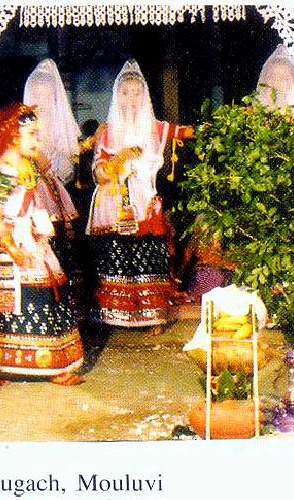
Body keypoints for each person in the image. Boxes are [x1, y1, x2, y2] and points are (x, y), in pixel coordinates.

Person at [0, 103, 84, 385]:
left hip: (29, 234)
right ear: (14, 136)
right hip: (8, 238)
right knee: (30, 295)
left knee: (48, 292)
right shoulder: (4, 168)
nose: (37, 140)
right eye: (32, 135)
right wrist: (12, 248)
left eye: (38, 134)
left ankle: (49, 362)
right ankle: (10, 361)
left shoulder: (26, 164)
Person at [87, 59, 192, 333]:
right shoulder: (106, 132)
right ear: (116, 96)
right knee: (117, 254)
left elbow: (185, 132)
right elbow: (99, 171)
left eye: (136, 93)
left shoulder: (155, 127)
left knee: (148, 254)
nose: (131, 99)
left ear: (144, 96)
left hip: (144, 200)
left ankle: (152, 315)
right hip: (114, 201)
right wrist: (114, 164)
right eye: (125, 93)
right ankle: (116, 315)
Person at [23, 59, 80, 270]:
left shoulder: (56, 126)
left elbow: (62, 164)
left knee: (57, 235)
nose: (42, 103)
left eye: (47, 97)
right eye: (37, 96)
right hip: (28, 187)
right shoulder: (24, 124)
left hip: (51, 187)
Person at [256, 44, 294, 115]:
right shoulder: (250, 114)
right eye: (272, 77)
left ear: (292, 83)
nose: (276, 82)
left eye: (283, 79)